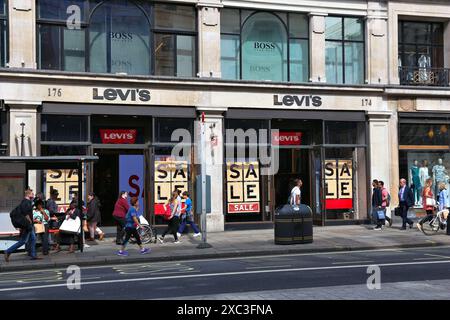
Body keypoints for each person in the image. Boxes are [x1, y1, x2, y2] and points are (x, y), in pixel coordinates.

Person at [4, 190, 40, 262]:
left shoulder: (27, 202)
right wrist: (30, 222)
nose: (33, 195)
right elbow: (26, 213)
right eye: (32, 194)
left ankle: (33, 255)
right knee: (23, 241)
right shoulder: (26, 202)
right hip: (27, 224)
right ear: (29, 195)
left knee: (33, 239)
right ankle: (8, 251)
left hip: (29, 224)